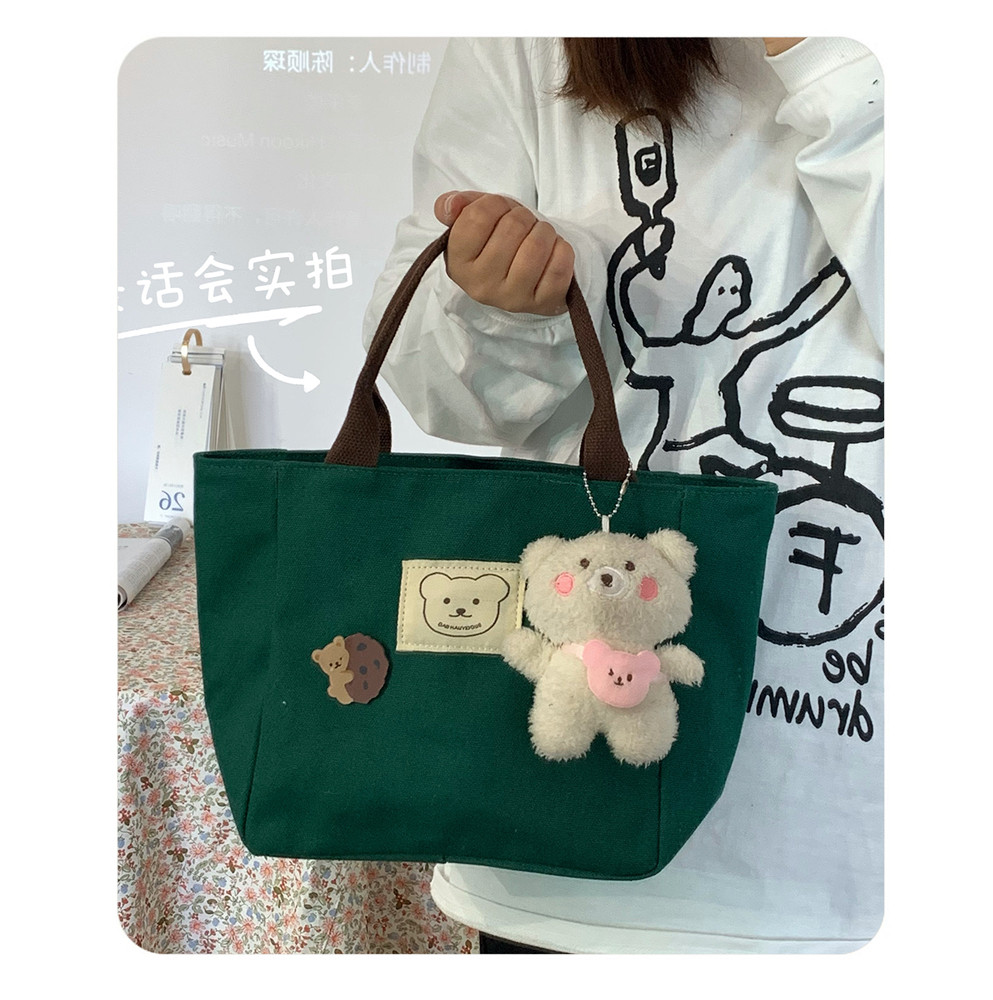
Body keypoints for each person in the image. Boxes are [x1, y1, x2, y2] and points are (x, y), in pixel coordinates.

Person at [362, 37, 884, 954]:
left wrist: (831, 59)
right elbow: (435, 383)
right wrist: (495, 305)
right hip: (566, 855)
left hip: (856, 843)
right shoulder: (526, 41)